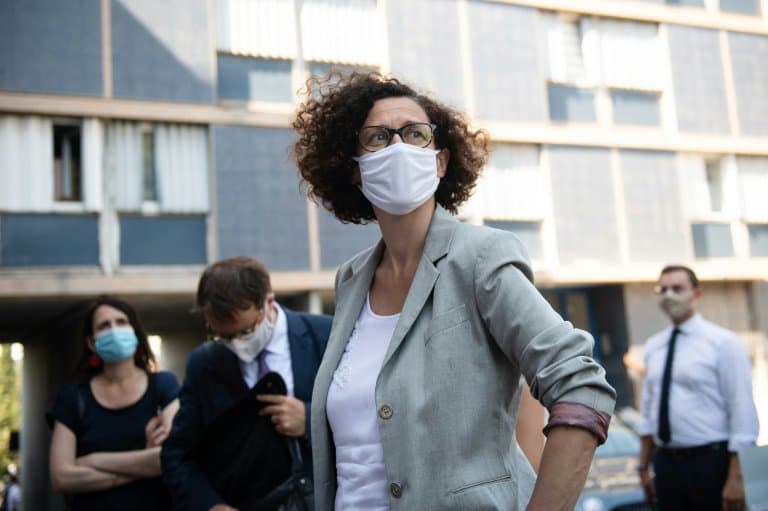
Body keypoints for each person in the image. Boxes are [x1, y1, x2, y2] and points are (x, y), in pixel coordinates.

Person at [292, 72, 617, 511]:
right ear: (353, 168)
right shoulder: (350, 279)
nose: (398, 147)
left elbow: (580, 383)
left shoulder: (480, 256)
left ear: (441, 161)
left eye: (415, 134)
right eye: (377, 138)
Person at [161, 256, 332, 511]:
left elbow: (371, 417)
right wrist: (211, 505)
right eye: (223, 336)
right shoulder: (204, 363)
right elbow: (177, 455)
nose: (237, 344)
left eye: (245, 332)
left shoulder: (326, 335)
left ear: (268, 303)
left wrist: (310, 420)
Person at [636, 265, 759, 511]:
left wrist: (736, 478)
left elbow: (742, 412)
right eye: (663, 289)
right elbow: (650, 410)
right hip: (667, 464)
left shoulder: (723, 343)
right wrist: (643, 467)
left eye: (677, 288)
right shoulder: (654, 347)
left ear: (697, 294)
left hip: (711, 462)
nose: (669, 295)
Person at [47, 296, 180, 511]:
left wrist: (92, 461)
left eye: (121, 322)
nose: (114, 330)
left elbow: (169, 458)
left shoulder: (163, 386)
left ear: (134, 332)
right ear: (92, 342)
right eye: (104, 325)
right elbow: (61, 477)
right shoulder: (73, 397)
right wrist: (141, 465)